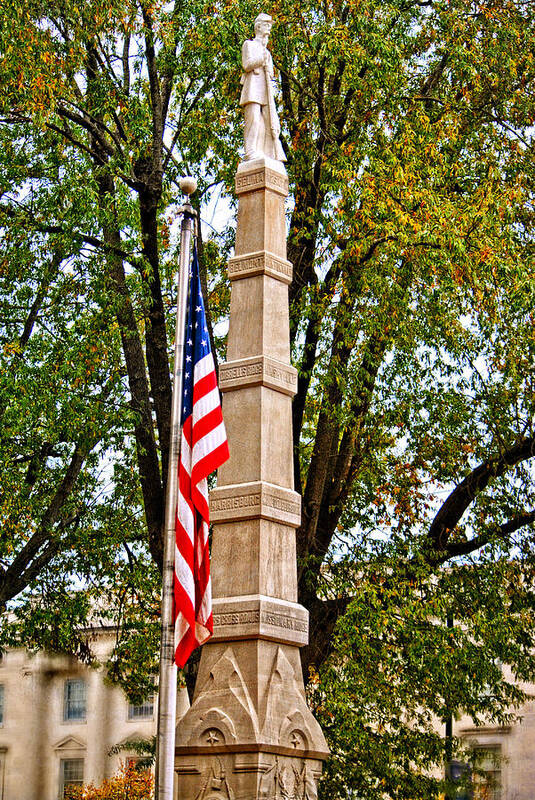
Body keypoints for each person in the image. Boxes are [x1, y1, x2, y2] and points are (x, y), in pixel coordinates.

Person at [240, 13, 286, 162]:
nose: (269, 27)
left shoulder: (267, 52)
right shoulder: (249, 44)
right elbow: (246, 65)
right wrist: (261, 60)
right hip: (252, 88)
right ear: (258, 26)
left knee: (266, 123)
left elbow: (271, 75)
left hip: (265, 90)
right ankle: (250, 151)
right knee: (253, 119)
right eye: (266, 24)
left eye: (270, 25)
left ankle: (267, 152)